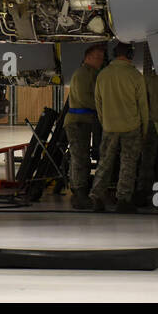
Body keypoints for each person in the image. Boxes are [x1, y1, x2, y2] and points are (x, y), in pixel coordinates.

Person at [91, 41, 148, 213]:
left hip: (109, 126)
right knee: (128, 164)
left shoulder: (103, 75)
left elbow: (98, 103)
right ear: (130, 55)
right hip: (131, 127)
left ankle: (97, 197)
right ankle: (123, 200)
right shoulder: (135, 76)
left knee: (105, 163)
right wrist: (144, 129)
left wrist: (105, 122)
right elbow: (143, 106)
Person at [64, 43, 106, 210]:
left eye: (101, 58)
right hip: (78, 121)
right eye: (97, 57)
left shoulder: (91, 73)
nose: (100, 61)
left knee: (80, 157)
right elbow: (84, 98)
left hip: (83, 121)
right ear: (87, 57)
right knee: (80, 157)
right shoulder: (83, 74)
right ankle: (79, 193)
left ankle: (79, 190)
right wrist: (103, 108)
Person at [136, 64, 158, 208]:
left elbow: (143, 103)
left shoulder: (148, 79)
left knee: (147, 162)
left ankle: (143, 194)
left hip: (151, 124)